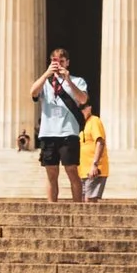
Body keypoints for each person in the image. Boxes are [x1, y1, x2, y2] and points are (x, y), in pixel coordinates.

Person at [28, 48, 89, 203]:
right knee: (51, 173)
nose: (59, 64)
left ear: (67, 63)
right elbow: (33, 92)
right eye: (55, 61)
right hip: (48, 133)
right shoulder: (46, 82)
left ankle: (77, 208)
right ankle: (51, 208)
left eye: (62, 61)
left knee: (71, 170)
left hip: (69, 132)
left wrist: (67, 80)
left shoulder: (77, 81)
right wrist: (46, 74)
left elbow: (83, 100)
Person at [76, 95, 109, 201]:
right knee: (83, 202)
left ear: (89, 107)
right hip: (83, 171)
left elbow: (100, 142)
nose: (81, 112)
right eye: (78, 109)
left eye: (83, 108)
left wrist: (95, 164)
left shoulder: (94, 121)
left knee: (90, 202)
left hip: (94, 170)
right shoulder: (83, 125)